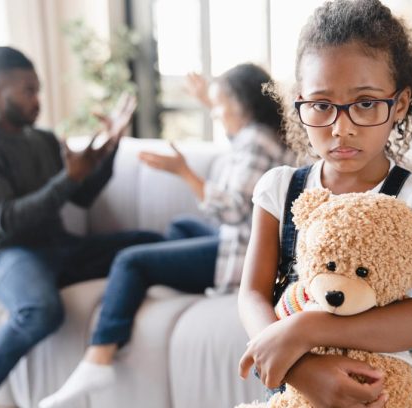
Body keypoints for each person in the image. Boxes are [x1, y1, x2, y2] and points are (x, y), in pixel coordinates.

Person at [236, 1, 412, 407]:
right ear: (300, 102)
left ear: (400, 104)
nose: (342, 128)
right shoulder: (280, 190)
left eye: (365, 103)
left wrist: (308, 329)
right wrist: (303, 370)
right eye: (322, 105)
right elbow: (252, 295)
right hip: (294, 391)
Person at [38, 63, 296, 407]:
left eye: (220, 107)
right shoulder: (262, 135)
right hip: (237, 242)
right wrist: (210, 99)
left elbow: (233, 208)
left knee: (131, 260)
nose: (216, 115)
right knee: (178, 229)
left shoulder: (257, 142)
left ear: (241, 105)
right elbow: (240, 142)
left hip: (240, 255)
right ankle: (141, 274)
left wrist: (185, 173)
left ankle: (98, 359)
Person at [0, 46, 163, 408]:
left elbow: (80, 197)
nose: (38, 99)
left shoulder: (43, 140)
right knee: (41, 310)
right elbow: (7, 220)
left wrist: (110, 148)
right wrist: (67, 178)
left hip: (56, 247)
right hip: (2, 254)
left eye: (38, 88)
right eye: (28, 90)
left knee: (148, 245)